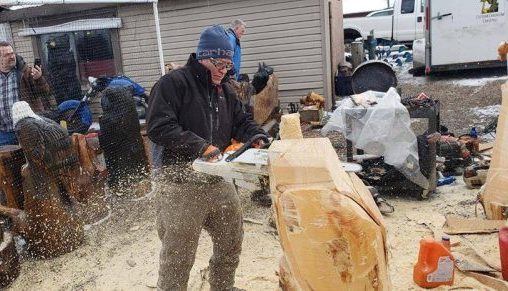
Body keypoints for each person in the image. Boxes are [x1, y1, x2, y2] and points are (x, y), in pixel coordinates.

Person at [146, 25, 266, 291]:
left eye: (227, 64)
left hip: (219, 178)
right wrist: (200, 146)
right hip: (179, 182)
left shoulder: (224, 89)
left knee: (231, 241)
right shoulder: (173, 84)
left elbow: (241, 121)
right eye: (219, 63)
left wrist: (256, 135)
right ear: (203, 57)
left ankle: (223, 287)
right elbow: (158, 126)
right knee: (178, 255)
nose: (224, 69)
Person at [0, 41, 57, 146]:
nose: (12, 56)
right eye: (7, 55)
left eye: (12, 53)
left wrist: (39, 79)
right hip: (4, 132)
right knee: (6, 160)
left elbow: (44, 92)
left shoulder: (25, 72)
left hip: (28, 128)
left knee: (34, 159)